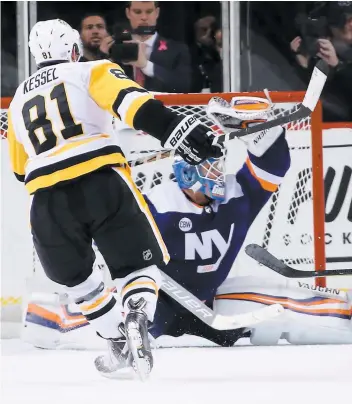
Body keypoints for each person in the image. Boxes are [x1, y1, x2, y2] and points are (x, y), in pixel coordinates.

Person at [22, 96, 352, 360]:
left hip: (209, 302)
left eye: (219, 162)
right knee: (98, 335)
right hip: (156, 305)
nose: (218, 171)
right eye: (209, 164)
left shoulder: (237, 197)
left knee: (292, 307)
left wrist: (256, 127)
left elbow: (275, 165)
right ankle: (54, 311)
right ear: (185, 171)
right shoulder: (153, 206)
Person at [7, 18, 222, 380]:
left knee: (81, 282)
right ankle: (137, 315)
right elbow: (132, 103)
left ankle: (117, 341)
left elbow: (19, 170)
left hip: (45, 200)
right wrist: (176, 130)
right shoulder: (90, 70)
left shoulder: (16, 102)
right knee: (136, 268)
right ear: (74, 50)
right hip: (101, 182)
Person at [101, 1, 192, 93]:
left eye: (149, 12)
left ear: (157, 13)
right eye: (137, 12)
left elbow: (184, 86)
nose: (144, 17)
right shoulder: (115, 48)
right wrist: (102, 57)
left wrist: (145, 65)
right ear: (128, 13)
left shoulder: (177, 50)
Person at [290, 2, 352, 121]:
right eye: (347, 19)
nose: (351, 24)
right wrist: (303, 67)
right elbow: (313, 102)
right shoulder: (319, 52)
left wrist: (338, 67)